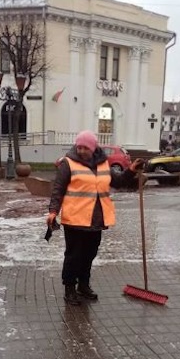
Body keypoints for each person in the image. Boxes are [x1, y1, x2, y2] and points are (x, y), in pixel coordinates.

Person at [48, 130, 116, 306]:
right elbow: (58, 189)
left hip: (96, 220)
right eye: (79, 147)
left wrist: (132, 171)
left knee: (89, 254)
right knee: (74, 256)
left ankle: (83, 286)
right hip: (75, 220)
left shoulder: (103, 164)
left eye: (85, 147)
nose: (81, 150)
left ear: (93, 148)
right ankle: (70, 288)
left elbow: (119, 181)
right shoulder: (68, 163)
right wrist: (53, 211)